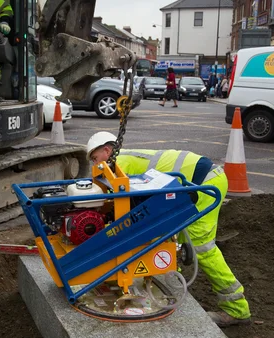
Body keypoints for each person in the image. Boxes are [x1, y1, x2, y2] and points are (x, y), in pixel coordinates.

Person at [86, 131, 252, 327]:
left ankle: (236, 309)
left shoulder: (120, 163)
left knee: (201, 247)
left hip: (205, 183)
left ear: (107, 150)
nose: (94, 166)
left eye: (95, 159)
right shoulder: (126, 158)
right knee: (171, 234)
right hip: (193, 183)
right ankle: (172, 280)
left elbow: (125, 210)